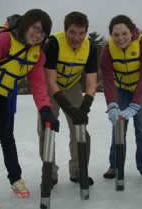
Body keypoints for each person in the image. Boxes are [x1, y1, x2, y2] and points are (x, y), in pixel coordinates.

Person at [0, 9, 59, 209]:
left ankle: (15, 178)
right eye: (35, 28)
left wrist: (45, 108)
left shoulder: (38, 55)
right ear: (26, 25)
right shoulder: (3, 41)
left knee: (7, 137)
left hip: (4, 95)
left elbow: (38, 84)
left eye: (42, 32)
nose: (37, 35)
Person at [38, 11, 97, 188]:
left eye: (81, 33)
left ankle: (79, 171)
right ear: (65, 30)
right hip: (52, 88)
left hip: (72, 86)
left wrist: (84, 107)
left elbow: (92, 83)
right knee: (46, 128)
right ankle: (50, 173)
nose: (76, 37)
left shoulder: (90, 48)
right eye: (72, 32)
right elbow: (50, 81)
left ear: (86, 32)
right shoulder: (53, 44)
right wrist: (68, 107)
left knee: (80, 128)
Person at [100, 15, 142, 181]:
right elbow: (108, 79)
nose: (120, 38)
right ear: (111, 35)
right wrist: (112, 105)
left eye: (124, 33)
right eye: (116, 35)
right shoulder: (107, 49)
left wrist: (135, 105)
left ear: (131, 32)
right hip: (121, 88)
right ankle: (114, 165)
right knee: (118, 127)